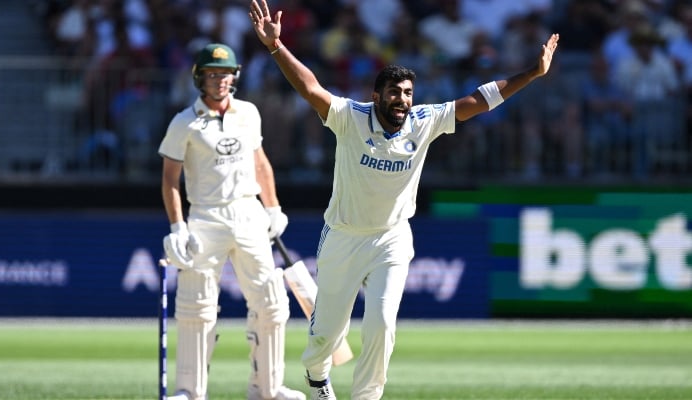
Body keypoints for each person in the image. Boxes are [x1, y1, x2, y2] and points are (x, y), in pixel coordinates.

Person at [249, 1, 560, 399]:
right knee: (326, 336)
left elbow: (479, 100)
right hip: (343, 236)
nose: (402, 99)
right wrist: (276, 48)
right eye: (394, 92)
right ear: (377, 95)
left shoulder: (423, 121)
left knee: (381, 323)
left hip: (391, 239)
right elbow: (311, 88)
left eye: (408, 93)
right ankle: (315, 374)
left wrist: (532, 73)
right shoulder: (350, 117)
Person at [158, 42, 306, 400]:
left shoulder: (248, 113)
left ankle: (268, 390)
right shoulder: (184, 123)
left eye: (226, 74)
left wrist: (272, 208)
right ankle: (190, 392)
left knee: (271, 302)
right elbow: (169, 180)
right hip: (206, 216)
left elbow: (261, 164)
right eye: (213, 74)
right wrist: (177, 226)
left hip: (248, 213)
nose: (220, 80)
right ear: (199, 78)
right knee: (196, 306)